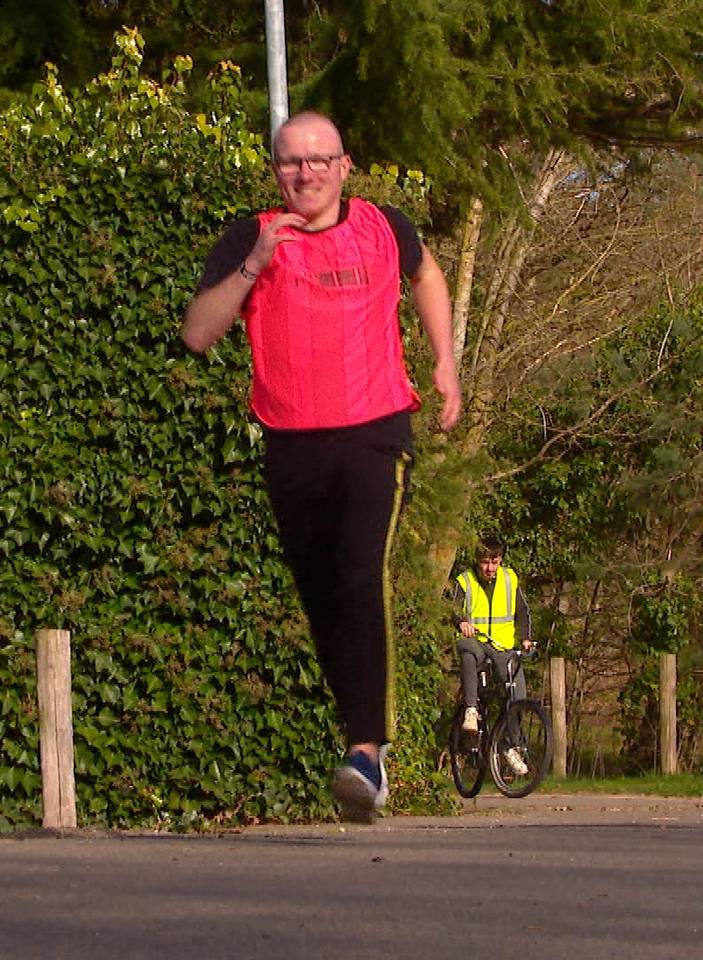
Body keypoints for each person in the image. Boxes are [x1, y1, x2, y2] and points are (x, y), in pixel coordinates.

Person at [182, 111, 462, 823]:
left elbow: (427, 273)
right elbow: (198, 335)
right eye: (290, 162)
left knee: (360, 573)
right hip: (292, 443)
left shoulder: (384, 226)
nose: (304, 174)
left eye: (318, 160)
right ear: (276, 170)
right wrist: (254, 265)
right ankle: (359, 743)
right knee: (323, 598)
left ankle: (367, 754)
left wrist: (445, 361)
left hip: (375, 432)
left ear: (344, 167)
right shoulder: (250, 237)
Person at [452, 537, 534, 773]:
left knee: (517, 694)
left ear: (501, 561)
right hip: (476, 641)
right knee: (468, 653)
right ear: (478, 561)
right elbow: (452, 608)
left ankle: (510, 746)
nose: (490, 568)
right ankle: (471, 709)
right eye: (485, 562)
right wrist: (461, 622)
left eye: (494, 562)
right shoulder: (465, 581)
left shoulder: (510, 579)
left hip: (501, 646)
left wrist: (525, 637)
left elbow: (522, 611)